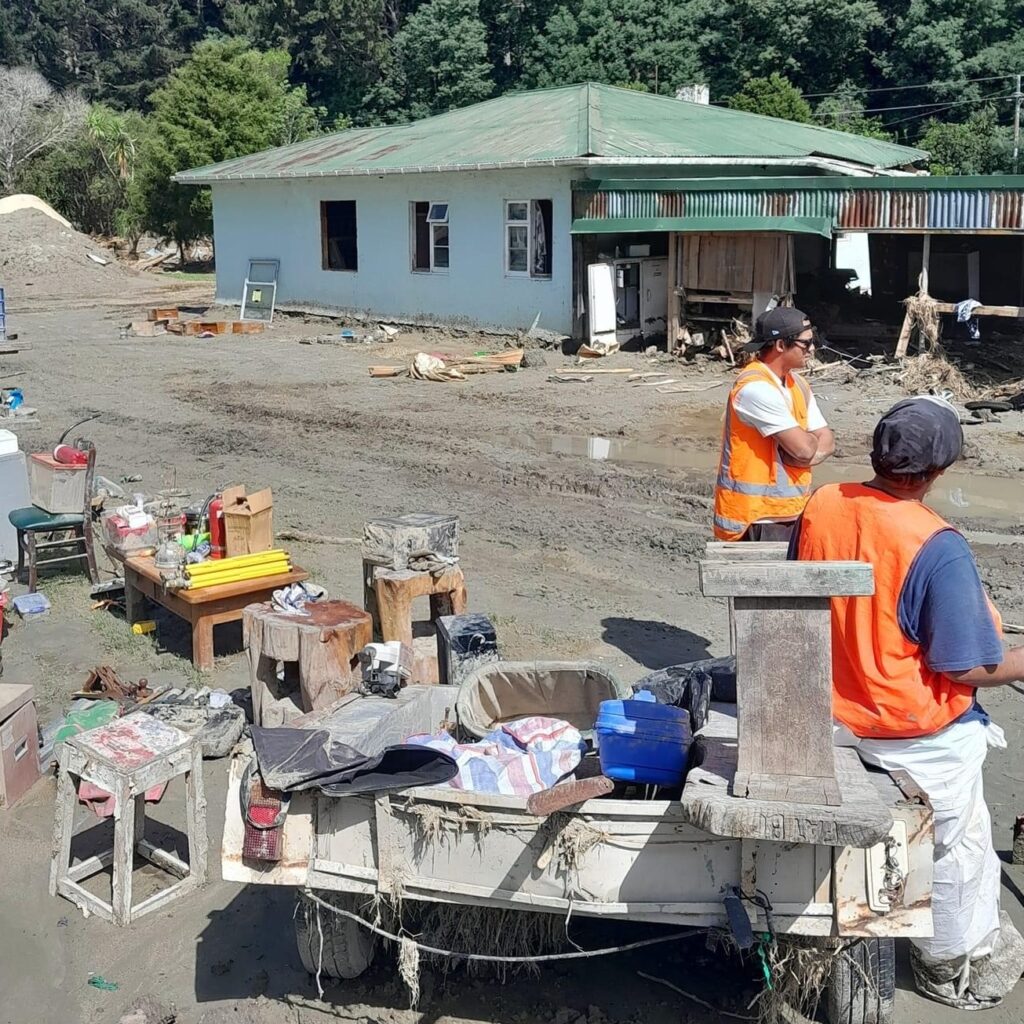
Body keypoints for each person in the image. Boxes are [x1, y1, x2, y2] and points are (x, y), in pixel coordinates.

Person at [793, 396, 1024, 1010]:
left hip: (835, 716)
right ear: (940, 470)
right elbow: (966, 664)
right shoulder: (936, 544)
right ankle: (947, 967)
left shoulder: (824, 503)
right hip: (915, 735)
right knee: (958, 848)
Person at [712, 306, 834, 542]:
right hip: (756, 521)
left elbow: (827, 440)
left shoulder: (797, 384)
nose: (812, 349)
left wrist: (806, 452)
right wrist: (806, 449)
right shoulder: (755, 389)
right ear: (780, 345)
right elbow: (805, 448)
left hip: (790, 513)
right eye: (805, 343)